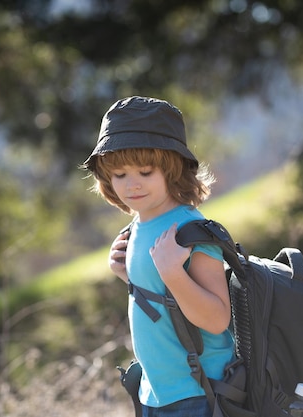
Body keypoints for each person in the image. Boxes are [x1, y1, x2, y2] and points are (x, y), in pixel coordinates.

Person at [82, 96, 234, 417]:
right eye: (120, 175)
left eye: (145, 171)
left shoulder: (191, 231)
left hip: (198, 393)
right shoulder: (137, 226)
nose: (132, 184)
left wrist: (173, 274)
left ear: (172, 168)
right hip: (155, 394)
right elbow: (163, 300)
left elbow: (217, 319)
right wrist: (129, 275)